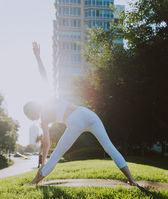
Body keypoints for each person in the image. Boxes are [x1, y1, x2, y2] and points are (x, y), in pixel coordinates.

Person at [23, 41, 138, 186]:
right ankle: (132, 180)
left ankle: (33, 182)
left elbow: (47, 143)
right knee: (109, 147)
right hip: (87, 114)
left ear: (31, 113)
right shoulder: (50, 99)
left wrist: (44, 160)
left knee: (57, 154)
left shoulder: (44, 118)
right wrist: (38, 57)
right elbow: (44, 76)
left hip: (75, 122)